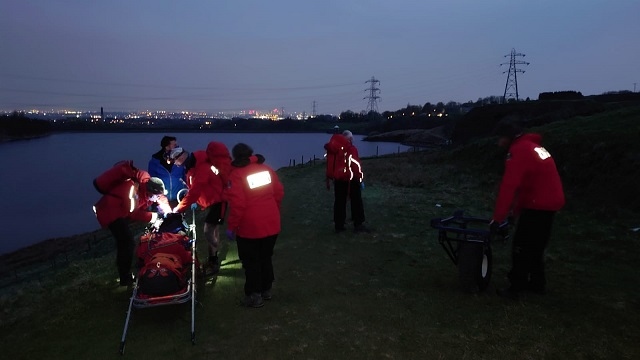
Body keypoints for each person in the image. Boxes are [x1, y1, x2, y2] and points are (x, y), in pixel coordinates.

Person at [490, 122, 565, 300]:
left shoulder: (518, 151)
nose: (498, 142)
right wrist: (515, 212)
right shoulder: (534, 147)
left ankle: (516, 287)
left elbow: (509, 186)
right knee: (536, 246)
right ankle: (538, 284)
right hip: (549, 202)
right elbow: (527, 185)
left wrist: (497, 219)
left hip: (538, 203)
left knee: (521, 246)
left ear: (509, 138)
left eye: (500, 138)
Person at [93, 161, 172, 286]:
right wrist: (154, 216)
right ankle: (125, 277)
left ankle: (125, 272)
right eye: (154, 196)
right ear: (150, 192)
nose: (155, 199)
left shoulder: (147, 182)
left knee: (125, 243)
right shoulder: (131, 192)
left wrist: (168, 211)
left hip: (119, 210)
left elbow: (160, 197)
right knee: (127, 243)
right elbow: (133, 213)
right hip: (111, 213)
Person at [225, 143, 284, 308]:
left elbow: (238, 205)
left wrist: (232, 227)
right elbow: (278, 192)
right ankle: (266, 290)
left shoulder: (236, 174)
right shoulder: (266, 169)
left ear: (235, 156)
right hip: (271, 221)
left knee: (251, 261)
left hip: (250, 227)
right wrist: (274, 211)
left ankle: (254, 295)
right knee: (266, 257)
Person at [169, 143, 231, 275]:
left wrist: (178, 209)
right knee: (213, 229)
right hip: (211, 202)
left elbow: (196, 190)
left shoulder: (201, 167)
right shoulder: (192, 167)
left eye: (175, 160)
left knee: (208, 230)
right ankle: (213, 259)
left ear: (181, 157)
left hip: (218, 201)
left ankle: (214, 259)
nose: (175, 164)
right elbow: (195, 189)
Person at [325, 130, 370, 233]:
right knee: (356, 201)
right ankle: (358, 224)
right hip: (351, 179)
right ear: (349, 139)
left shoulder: (334, 148)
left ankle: (339, 226)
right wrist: (360, 178)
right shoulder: (350, 149)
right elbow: (355, 165)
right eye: (352, 138)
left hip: (338, 179)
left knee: (339, 202)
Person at [148, 135, 187, 207]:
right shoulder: (155, 162)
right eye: (174, 145)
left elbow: (185, 177)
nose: (177, 147)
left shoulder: (180, 160)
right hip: (161, 200)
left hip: (179, 198)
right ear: (167, 147)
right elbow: (152, 181)